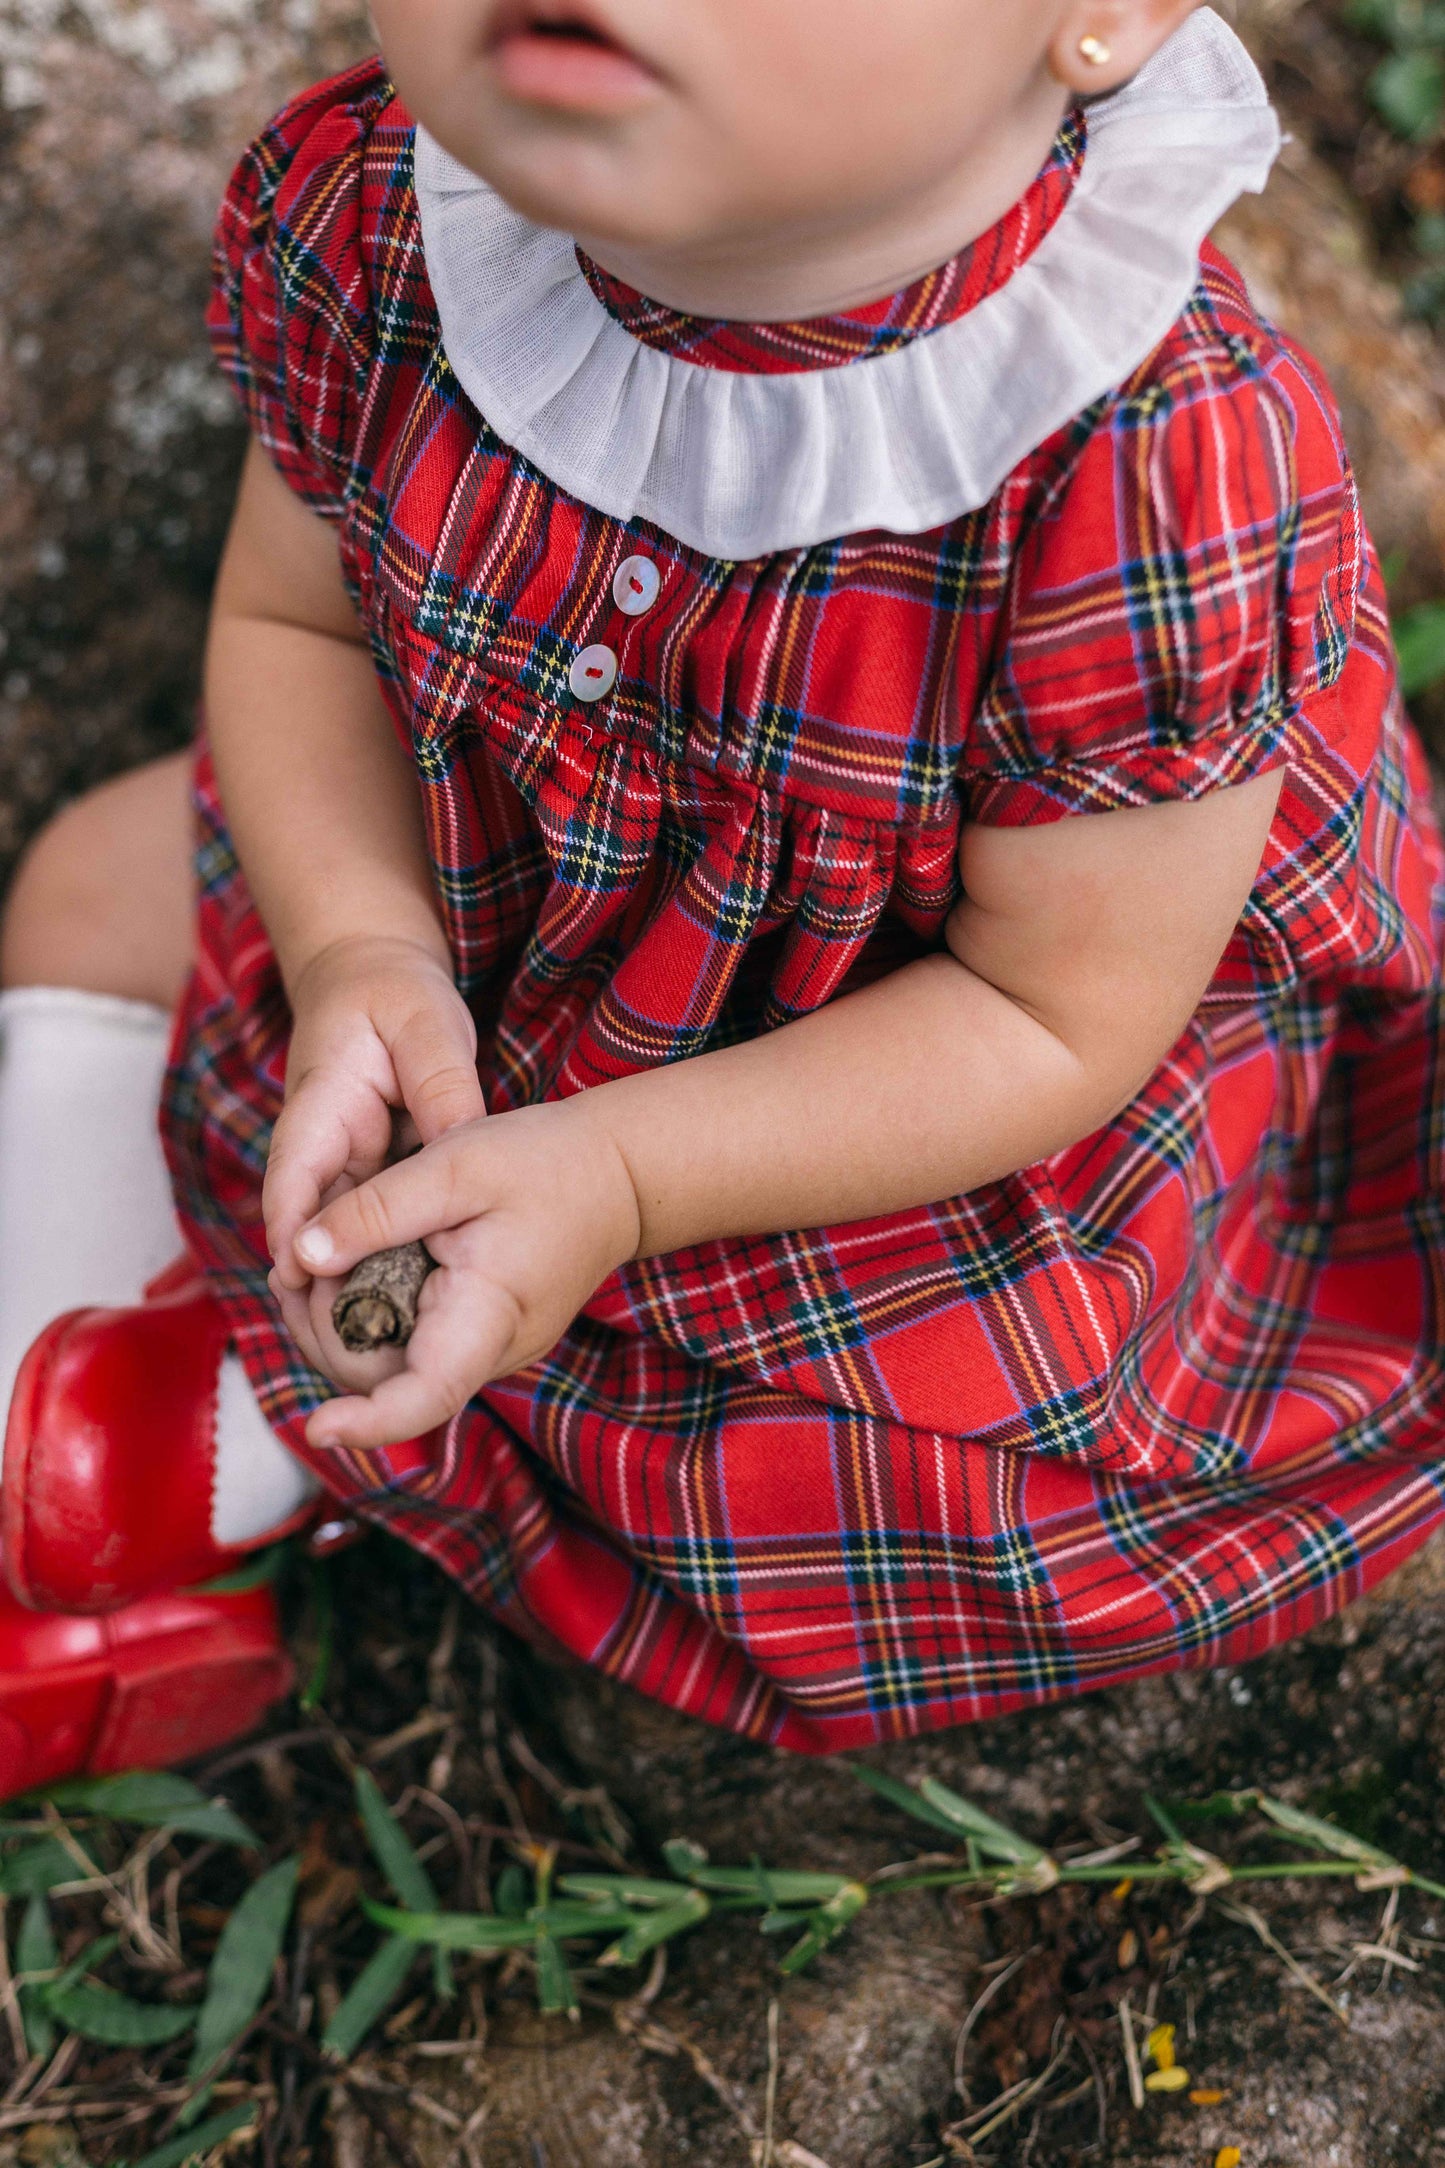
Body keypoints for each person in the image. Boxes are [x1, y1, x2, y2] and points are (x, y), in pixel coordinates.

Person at [2, 0, 1442, 1790]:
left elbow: (1049, 1014)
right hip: (470, 884)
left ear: (1105, 15)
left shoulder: (1137, 456)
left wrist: (614, 1172)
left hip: (886, 1119)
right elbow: (293, 627)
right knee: (90, 890)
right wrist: (356, 941)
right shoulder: (388, 204)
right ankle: (50, 1467)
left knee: (824, 1482)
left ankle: (254, 1442)